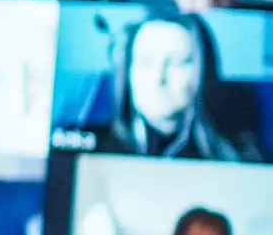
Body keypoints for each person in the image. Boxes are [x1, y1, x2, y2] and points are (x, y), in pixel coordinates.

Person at [103, 13, 262, 162]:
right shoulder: (98, 147)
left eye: (177, 62)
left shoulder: (236, 157)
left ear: (202, 72)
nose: (158, 78)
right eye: (145, 62)